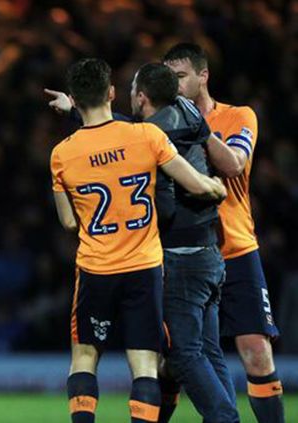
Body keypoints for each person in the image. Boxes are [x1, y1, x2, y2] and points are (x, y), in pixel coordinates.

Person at [46, 63, 240, 422]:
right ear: (111, 93)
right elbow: (197, 183)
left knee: (85, 357)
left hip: (96, 267)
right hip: (144, 268)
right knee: (146, 364)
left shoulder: (61, 154)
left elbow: (69, 221)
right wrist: (217, 188)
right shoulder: (144, 137)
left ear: (75, 98)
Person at [164, 42, 284, 423]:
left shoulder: (239, 116)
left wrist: (196, 128)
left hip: (236, 248)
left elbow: (233, 164)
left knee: (256, 350)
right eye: (169, 78)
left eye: (181, 76)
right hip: (187, 256)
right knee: (178, 360)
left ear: (203, 76)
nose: (175, 84)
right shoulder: (161, 125)